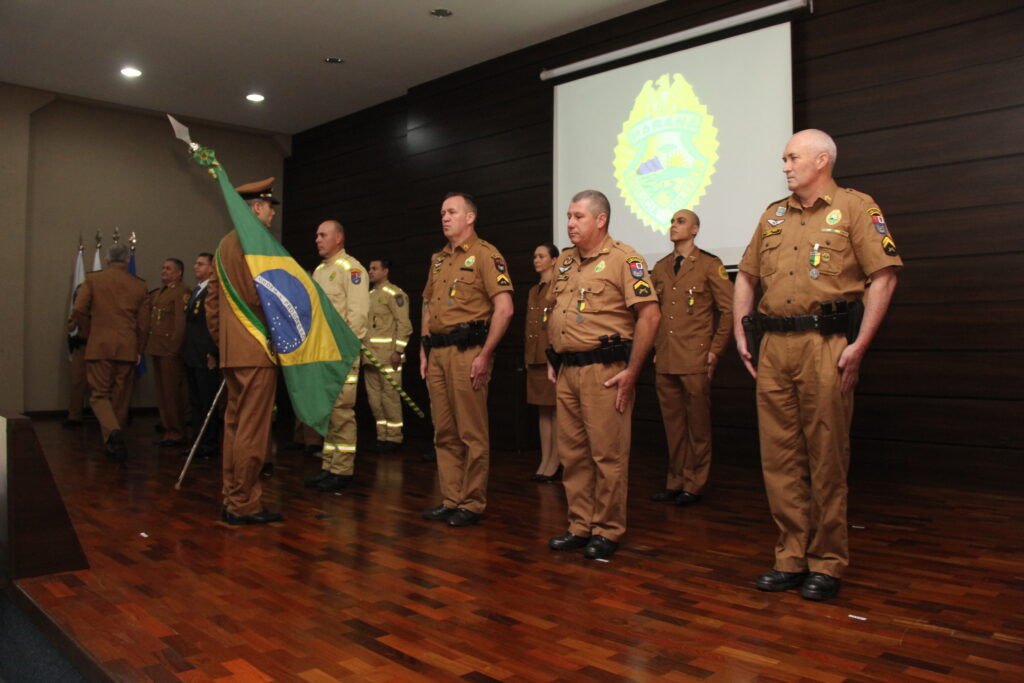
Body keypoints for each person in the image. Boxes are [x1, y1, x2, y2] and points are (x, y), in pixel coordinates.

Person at [734, 129, 902, 600]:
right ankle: (789, 556)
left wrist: (861, 344)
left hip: (826, 344)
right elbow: (745, 276)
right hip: (774, 345)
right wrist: (740, 331)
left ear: (821, 160)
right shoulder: (772, 215)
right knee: (779, 457)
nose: (785, 166)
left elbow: (883, 278)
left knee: (826, 456)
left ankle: (826, 561)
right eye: (784, 159)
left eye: (792, 158)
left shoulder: (854, 208)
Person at [545, 190, 660, 560]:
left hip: (605, 371)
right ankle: (580, 525)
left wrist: (632, 371)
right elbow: (556, 309)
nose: (570, 224)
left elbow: (650, 315)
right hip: (568, 371)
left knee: (606, 456)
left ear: (600, 220)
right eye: (568, 216)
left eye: (578, 216)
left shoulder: (625, 260)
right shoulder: (564, 261)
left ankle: (607, 529)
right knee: (573, 455)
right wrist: (553, 353)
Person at [420, 192, 514, 527]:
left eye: (452, 212)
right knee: (443, 432)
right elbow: (428, 305)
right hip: (439, 352)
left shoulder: (486, 255)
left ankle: (472, 502)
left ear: (470, 217)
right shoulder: (439, 259)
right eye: (442, 212)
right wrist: (424, 349)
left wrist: (485, 353)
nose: (445, 217)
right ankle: (451, 498)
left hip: (468, 352)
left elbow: (505, 309)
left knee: (471, 433)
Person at [205, 177, 283, 525]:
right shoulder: (256, 243)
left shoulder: (223, 245)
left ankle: (230, 496)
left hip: (233, 353)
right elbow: (266, 297)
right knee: (253, 430)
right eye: (269, 207)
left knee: (235, 427)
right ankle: (244, 504)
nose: (272, 213)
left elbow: (211, 303)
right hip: (257, 352)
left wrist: (225, 341)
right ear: (256, 208)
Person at [649, 210, 733, 505]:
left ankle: (694, 483)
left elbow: (729, 310)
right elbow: (652, 315)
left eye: (680, 221)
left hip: (695, 357)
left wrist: (715, 350)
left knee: (697, 425)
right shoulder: (659, 268)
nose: (673, 226)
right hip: (666, 358)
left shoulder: (710, 265)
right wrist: (655, 349)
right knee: (673, 426)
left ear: (695, 229)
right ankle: (676, 480)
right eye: (672, 221)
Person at [304, 220, 369, 493]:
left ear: (338, 238)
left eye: (323, 235)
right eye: (316, 234)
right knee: (329, 413)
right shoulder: (320, 270)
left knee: (342, 413)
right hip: (322, 354)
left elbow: (358, 314)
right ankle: (329, 466)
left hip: (342, 355)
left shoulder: (351, 269)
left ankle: (342, 470)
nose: (317, 239)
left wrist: (347, 351)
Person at [71, 243, 150, 460]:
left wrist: (89, 334)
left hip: (100, 345)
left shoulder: (94, 280)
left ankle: (113, 433)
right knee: (120, 397)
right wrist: (139, 349)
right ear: (126, 261)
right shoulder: (139, 285)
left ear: (106, 260)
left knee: (99, 395)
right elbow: (144, 324)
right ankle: (114, 444)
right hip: (127, 346)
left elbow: (78, 309)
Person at [362, 258, 412, 453]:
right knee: (374, 399)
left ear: (385, 271)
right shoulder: (369, 295)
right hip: (370, 357)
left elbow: (404, 325)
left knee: (390, 398)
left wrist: (398, 351)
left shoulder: (395, 294)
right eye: (369, 268)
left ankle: (394, 438)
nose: (370, 272)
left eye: (374, 268)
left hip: (389, 356)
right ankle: (381, 436)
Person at [525, 243, 561, 482]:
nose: (536, 260)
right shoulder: (533, 290)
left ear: (554, 260)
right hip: (535, 356)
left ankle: (556, 461)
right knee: (543, 412)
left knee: (557, 411)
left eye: (542, 256)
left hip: (552, 357)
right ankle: (545, 458)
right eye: (535, 256)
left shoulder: (558, 287)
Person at [147, 258, 189, 447]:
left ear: (179, 273)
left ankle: (176, 431)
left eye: (168, 268)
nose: (163, 271)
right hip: (157, 348)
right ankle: (167, 427)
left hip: (170, 351)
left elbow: (180, 324)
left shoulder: (181, 292)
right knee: (162, 392)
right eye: (163, 267)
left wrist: (174, 348)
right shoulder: (159, 293)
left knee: (172, 393)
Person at [182, 252, 220, 458]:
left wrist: (212, 352)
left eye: (200, 264)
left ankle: (209, 443)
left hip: (206, 355)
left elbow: (212, 325)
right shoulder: (197, 291)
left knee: (207, 402)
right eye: (195, 263)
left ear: (211, 268)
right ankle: (196, 441)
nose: (195, 267)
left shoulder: (212, 293)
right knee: (195, 402)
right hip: (192, 354)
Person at [64, 283, 89, 428]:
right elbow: (71, 326)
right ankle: (74, 416)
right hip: (81, 347)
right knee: (76, 382)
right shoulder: (77, 310)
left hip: (98, 348)